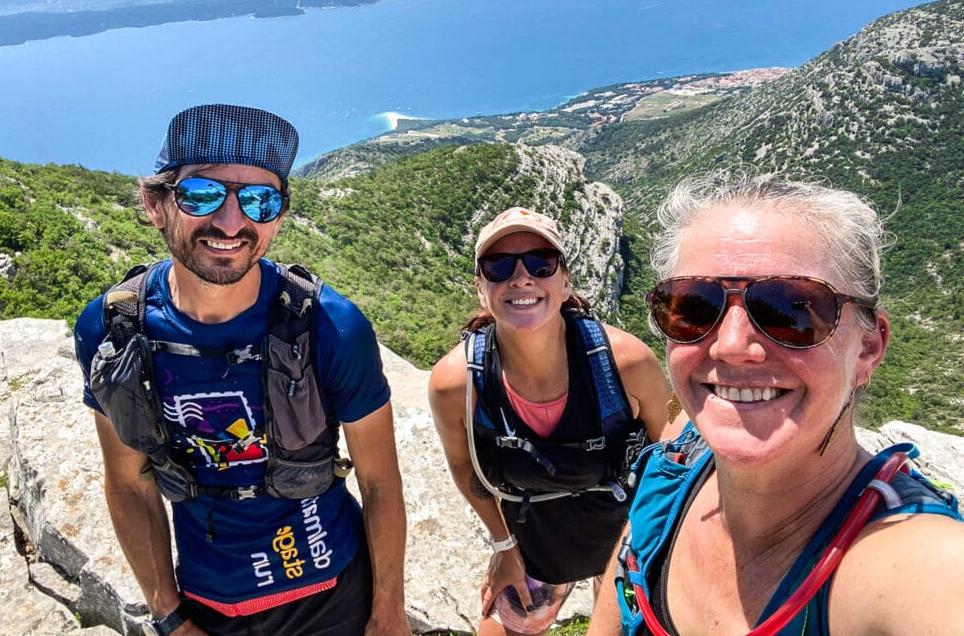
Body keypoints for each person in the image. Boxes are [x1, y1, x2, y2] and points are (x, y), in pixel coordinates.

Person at [74, 104, 412, 636]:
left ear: (277, 218)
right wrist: (169, 616)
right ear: (155, 203)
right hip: (209, 605)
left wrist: (388, 612)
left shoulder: (332, 326)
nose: (232, 223)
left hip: (335, 591)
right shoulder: (113, 330)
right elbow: (128, 483)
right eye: (203, 194)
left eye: (258, 200)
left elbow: (379, 480)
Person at [588, 173, 964, 636]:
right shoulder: (673, 467)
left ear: (868, 348)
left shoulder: (916, 565)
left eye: (789, 310)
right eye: (694, 307)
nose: (730, 345)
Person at [429, 207, 683, 636]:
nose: (521, 278)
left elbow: (671, 446)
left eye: (541, 263)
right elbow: (464, 466)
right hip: (535, 546)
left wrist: (664, 543)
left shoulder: (625, 363)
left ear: (565, 282)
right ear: (480, 287)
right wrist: (503, 546)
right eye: (499, 266)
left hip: (628, 536)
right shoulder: (457, 384)